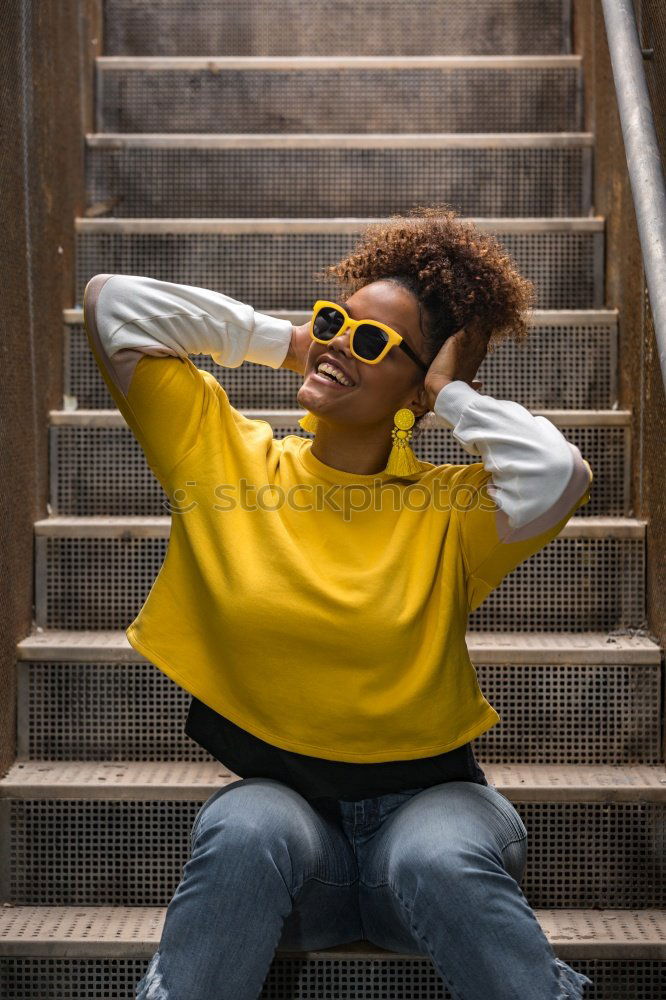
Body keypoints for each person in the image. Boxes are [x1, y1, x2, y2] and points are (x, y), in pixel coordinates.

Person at [83, 206, 594, 999]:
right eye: (335, 321)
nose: (337, 344)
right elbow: (112, 304)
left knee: (437, 857)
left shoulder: (451, 510)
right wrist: (295, 343)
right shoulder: (223, 457)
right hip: (295, 855)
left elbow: (559, 473)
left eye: (371, 343)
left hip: (431, 821)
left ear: (416, 383)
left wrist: (449, 395)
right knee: (242, 824)